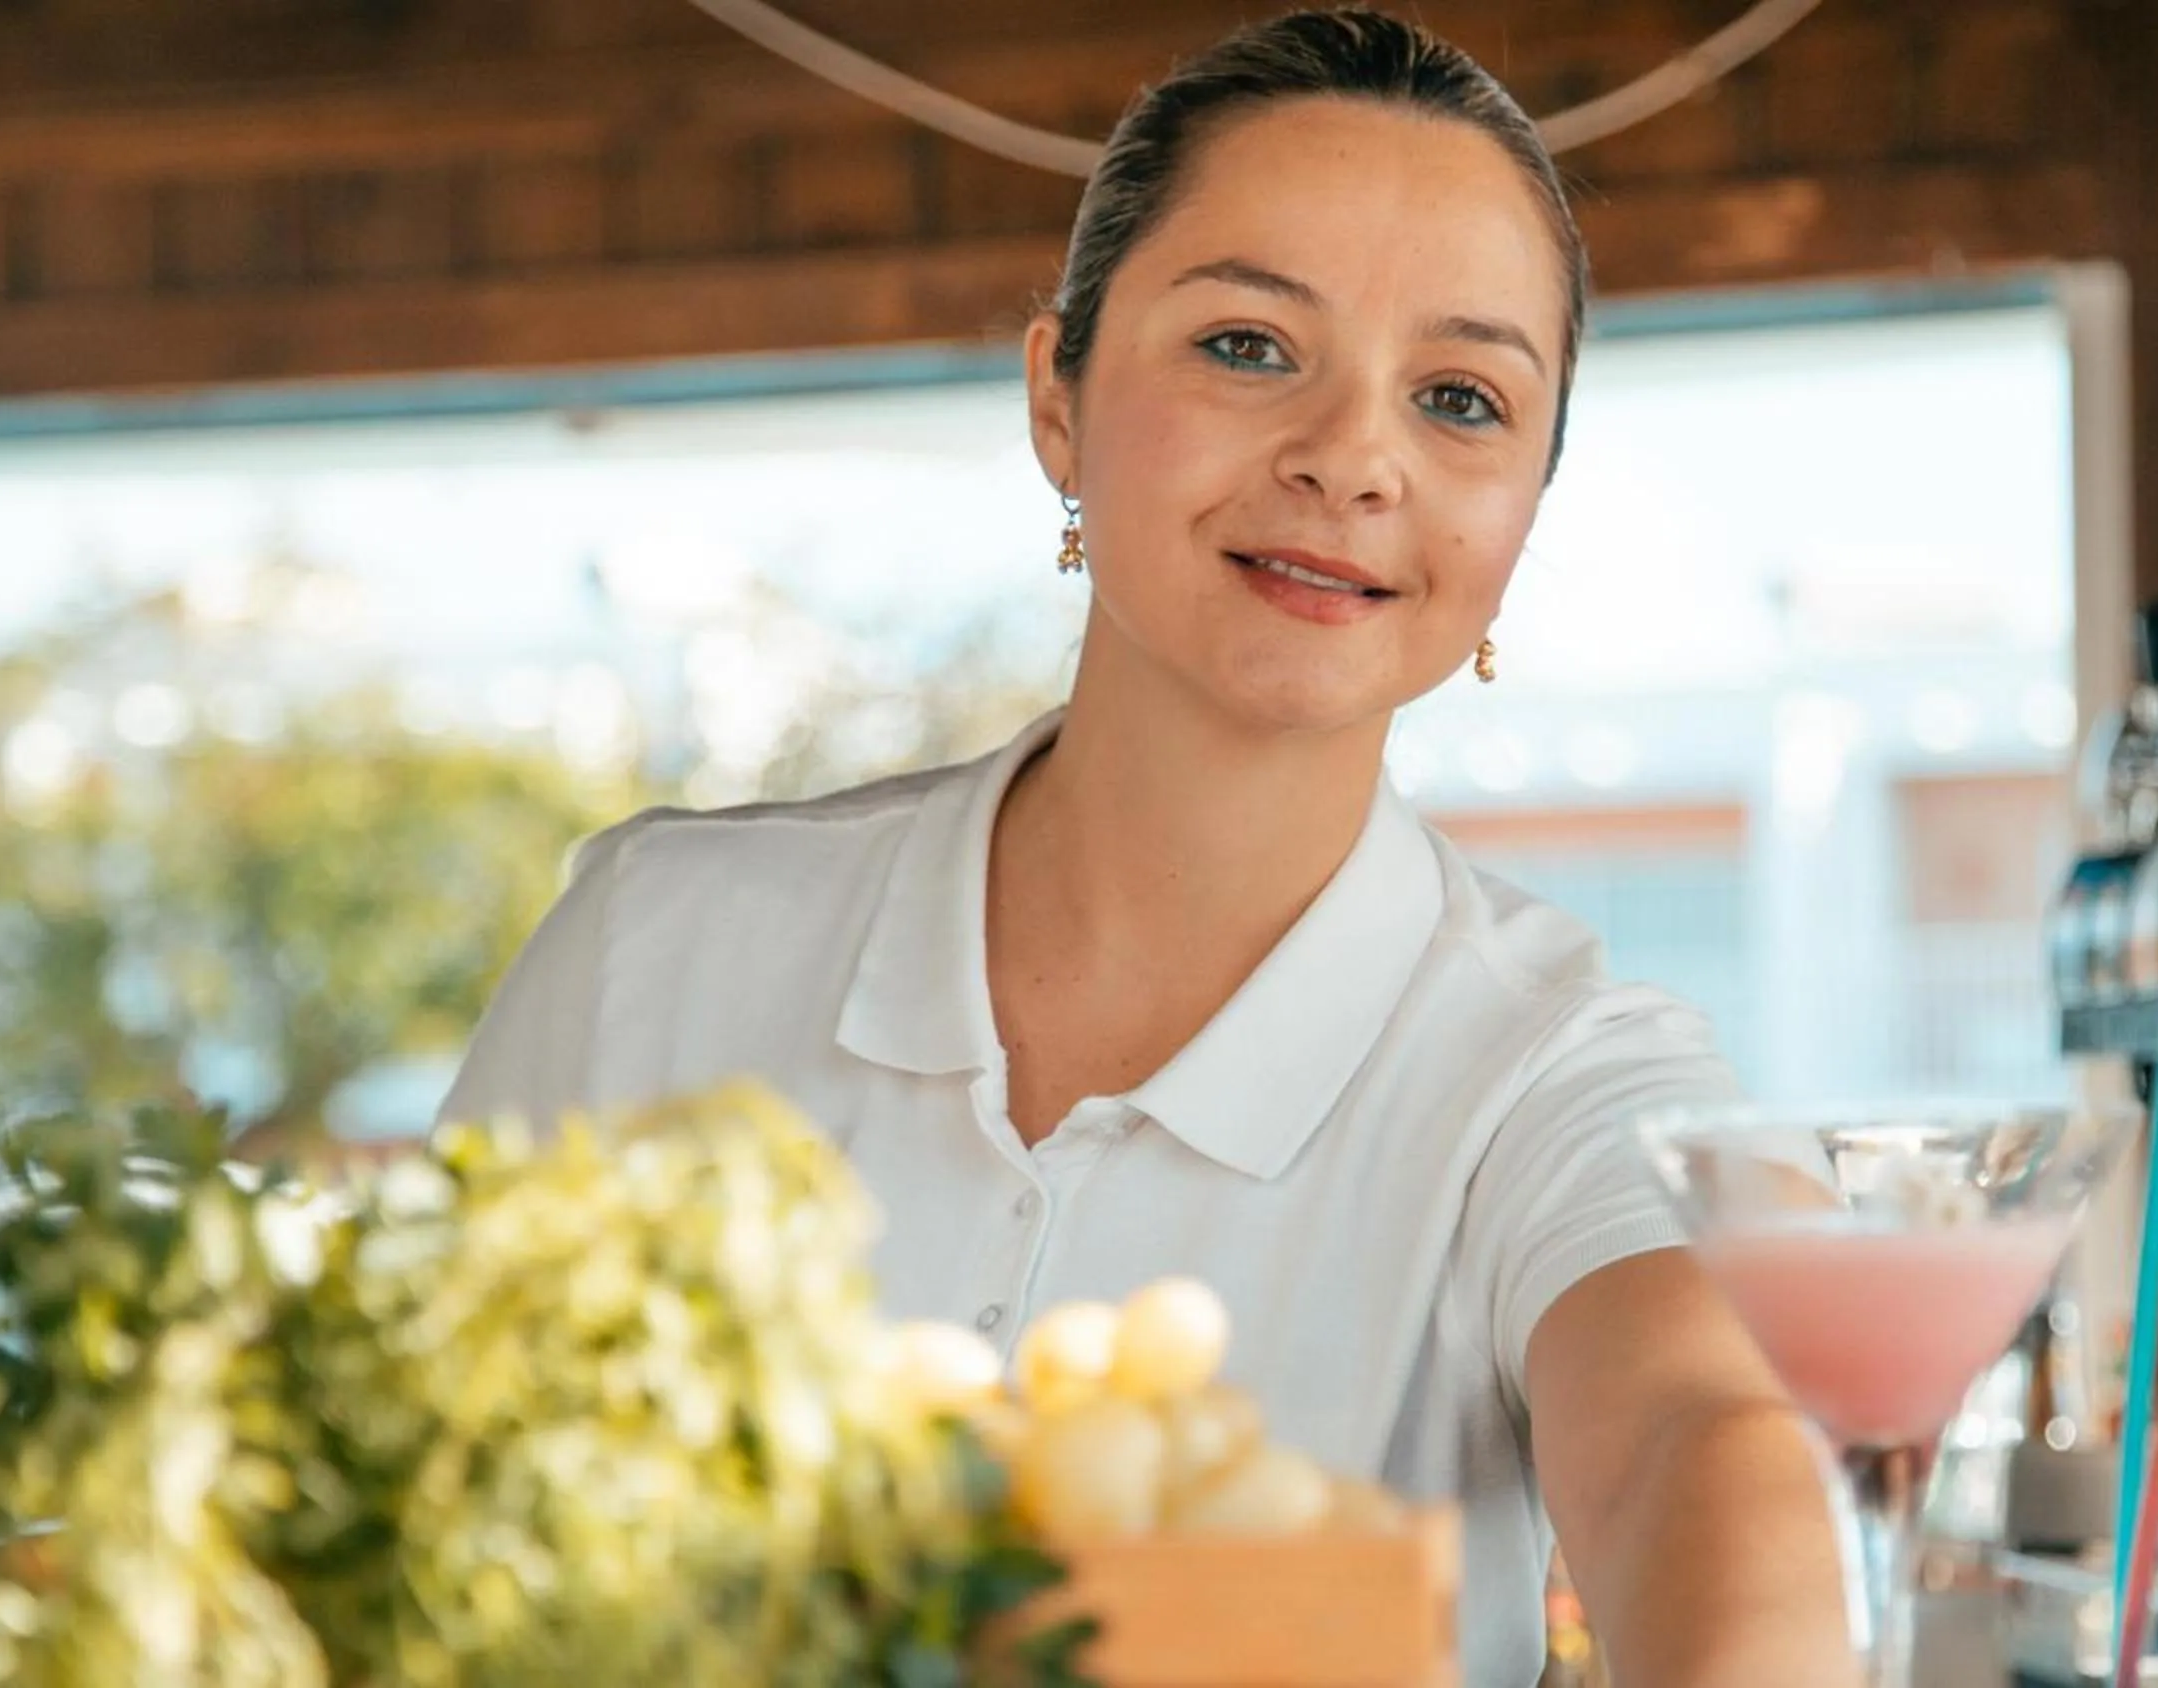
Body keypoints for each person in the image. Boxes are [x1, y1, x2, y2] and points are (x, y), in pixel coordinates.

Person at [442, 9, 1851, 1683]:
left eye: (1462, 397)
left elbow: (1714, 1432)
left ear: (1528, 507)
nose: (1353, 458)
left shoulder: (1563, 1073)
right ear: (1058, 395)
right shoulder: (655, 944)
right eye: (1250, 345)